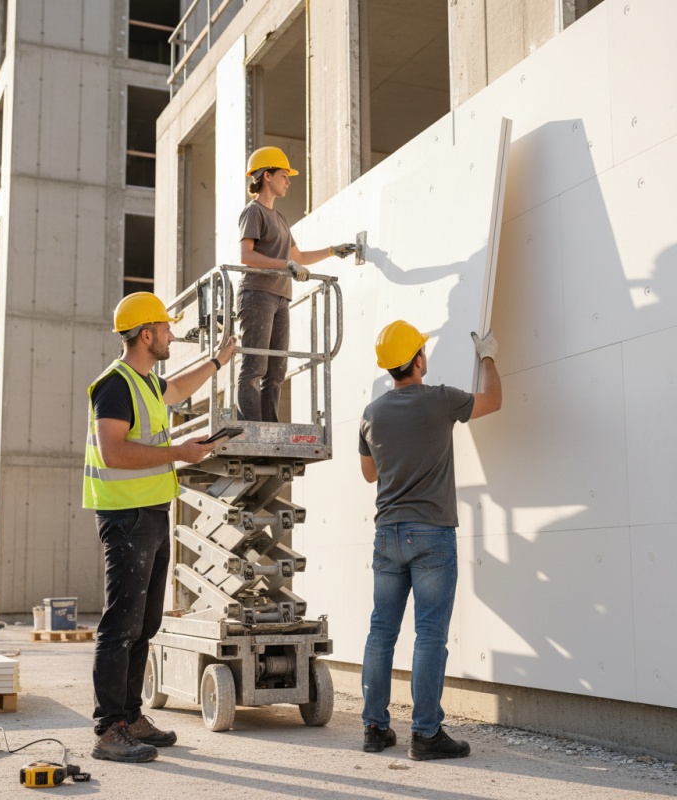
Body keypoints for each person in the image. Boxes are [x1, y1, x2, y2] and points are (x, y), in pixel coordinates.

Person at [83, 291, 236, 763]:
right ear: (146, 335)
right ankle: (109, 729)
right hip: (125, 516)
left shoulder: (147, 383)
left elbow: (178, 391)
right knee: (121, 624)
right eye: (166, 329)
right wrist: (179, 452)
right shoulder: (115, 384)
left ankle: (130, 715)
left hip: (149, 513)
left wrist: (216, 361)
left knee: (145, 623)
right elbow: (115, 453)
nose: (172, 334)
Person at [358, 321, 502, 760]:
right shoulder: (440, 400)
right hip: (432, 534)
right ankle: (425, 734)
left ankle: (375, 729)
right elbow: (494, 401)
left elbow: (370, 474)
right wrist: (489, 356)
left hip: (388, 533)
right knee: (429, 634)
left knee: (381, 631)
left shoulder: (372, 413)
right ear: (418, 359)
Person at [237, 145, 356, 422]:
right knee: (255, 366)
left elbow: (297, 257)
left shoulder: (279, 218)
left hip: (280, 297)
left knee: (277, 371)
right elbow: (246, 256)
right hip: (257, 295)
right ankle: (253, 430)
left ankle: (270, 428)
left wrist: (331, 250)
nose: (288, 181)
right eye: (284, 175)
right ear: (266, 175)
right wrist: (285, 265)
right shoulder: (253, 212)